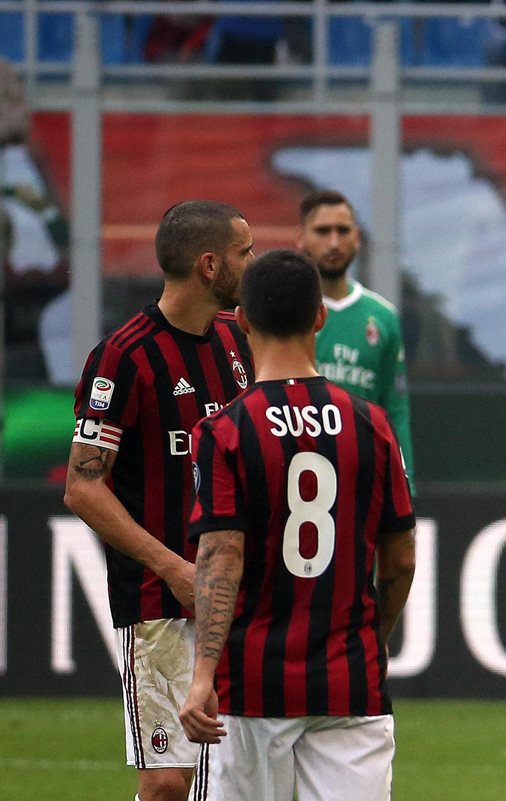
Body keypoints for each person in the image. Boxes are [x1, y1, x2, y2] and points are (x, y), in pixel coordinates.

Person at [179, 248, 417, 801]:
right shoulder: (372, 424)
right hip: (349, 685)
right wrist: (369, 639)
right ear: (319, 317)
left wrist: (201, 676)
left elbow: (220, 557)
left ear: (240, 320)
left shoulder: (225, 431)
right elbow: (401, 559)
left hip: (250, 685)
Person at [63, 200, 256, 801]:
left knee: (233, 779)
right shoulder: (123, 357)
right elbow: (83, 486)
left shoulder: (239, 341)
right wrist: (172, 567)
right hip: (160, 601)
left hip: (242, 596)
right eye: (243, 253)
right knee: (171, 782)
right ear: (209, 265)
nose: (253, 264)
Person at [297, 189, 415, 485]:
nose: (334, 242)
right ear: (302, 238)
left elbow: (395, 410)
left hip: (364, 475)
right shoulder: (282, 308)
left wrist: (405, 482)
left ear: (357, 237)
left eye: (343, 230)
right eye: (323, 231)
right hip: (295, 468)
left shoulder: (383, 316)